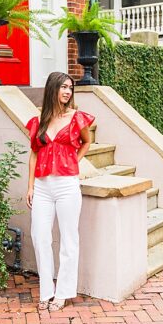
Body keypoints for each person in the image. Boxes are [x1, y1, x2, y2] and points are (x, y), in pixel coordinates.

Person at [25, 72, 94, 311]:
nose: (67, 92)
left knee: (68, 239)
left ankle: (63, 293)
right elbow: (34, 153)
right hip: (43, 187)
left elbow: (87, 141)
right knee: (40, 236)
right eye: (63, 87)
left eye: (70, 88)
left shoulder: (76, 118)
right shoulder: (39, 121)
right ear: (52, 88)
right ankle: (46, 290)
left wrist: (74, 161)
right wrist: (31, 185)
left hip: (67, 185)